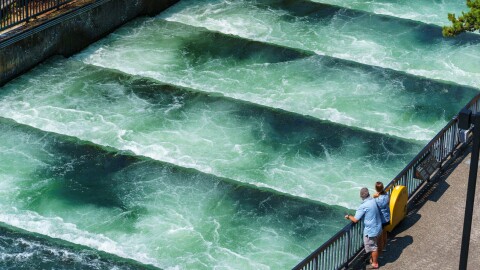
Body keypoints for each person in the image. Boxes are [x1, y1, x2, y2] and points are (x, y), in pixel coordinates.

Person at [345, 187, 382, 269]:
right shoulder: (373, 200)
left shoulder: (363, 206)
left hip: (371, 230)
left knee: (373, 247)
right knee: (375, 245)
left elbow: (355, 219)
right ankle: (372, 260)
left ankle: (375, 264)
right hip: (378, 227)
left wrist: (348, 216)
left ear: (361, 196)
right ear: (368, 193)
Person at [373, 181, 390, 253]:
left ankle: (380, 249)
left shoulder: (377, 200)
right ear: (383, 187)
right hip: (387, 218)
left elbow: (373, 206)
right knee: (384, 231)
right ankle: (385, 244)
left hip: (381, 220)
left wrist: (374, 197)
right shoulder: (386, 195)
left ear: (376, 189)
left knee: (379, 237)